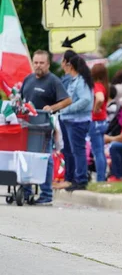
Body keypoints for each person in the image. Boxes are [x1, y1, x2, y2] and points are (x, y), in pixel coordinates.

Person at [20, 50, 72, 205]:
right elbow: (21, 99)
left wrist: (53, 107)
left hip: (44, 127)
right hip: (28, 126)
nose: (38, 66)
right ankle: (26, 191)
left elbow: (68, 100)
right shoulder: (28, 79)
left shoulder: (53, 81)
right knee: (25, 159)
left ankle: (46, 194)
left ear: (48, 64)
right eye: (35, 62)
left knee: (45, 159)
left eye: (41, 63)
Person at [59, 55, 93, 191]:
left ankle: (81, 179)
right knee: (75, 150)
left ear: (70, 66)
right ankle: (77, 178)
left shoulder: (81, 82)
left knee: (78, 151)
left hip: (77, 121)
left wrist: (67, 108)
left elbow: (85, 100)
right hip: (71, 120)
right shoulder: (75, 81)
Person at [89, 63, 109, 182]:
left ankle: (100, 179)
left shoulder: (97, 86)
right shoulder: (104, 85)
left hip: (95, 121)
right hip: (103, 120)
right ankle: (102, 177)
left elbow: (100, 98)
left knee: (98, 153)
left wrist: (95, 108)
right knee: (100, 151)